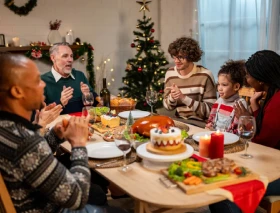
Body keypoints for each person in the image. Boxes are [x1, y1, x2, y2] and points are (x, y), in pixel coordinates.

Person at [0, 54, 126, 213]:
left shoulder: (8, 128)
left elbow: (32, 157)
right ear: (17, 91)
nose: (43, 84)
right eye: (37, 80)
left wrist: (56, 135)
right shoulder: (25, 141)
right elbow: (76, 199)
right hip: (50, 208)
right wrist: (79, 144)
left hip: (36, 198)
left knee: (97, 192)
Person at [209, 50, 280, 213]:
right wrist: (253, 110)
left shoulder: (277, 102)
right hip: (273, 161)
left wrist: (246, 119)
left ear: (261, 80)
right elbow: (266, 128)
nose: (246, 80)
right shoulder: (272, 94)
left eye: (248, 76)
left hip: (276, 169)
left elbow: (262, 144)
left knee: (226, 188)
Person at [163, 37, 217, 126]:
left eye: (180, 57)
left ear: (191, 56)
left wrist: (184, 98)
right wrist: (172, 98)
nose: (176, 61)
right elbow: (167, 107)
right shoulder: (170, 73)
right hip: (179, 121)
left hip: (200, 124)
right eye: (174, 57)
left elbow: (211, 111)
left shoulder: (205, 75)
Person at [41, 42, 99, 114]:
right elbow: (39, 114)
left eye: (71, 56)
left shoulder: (80, 75)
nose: (70, 60)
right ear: (53, 58)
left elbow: (96, 104)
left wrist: (88, 95)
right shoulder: (42, 81)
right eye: (65, 56)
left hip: (82, 122)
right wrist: (60, 102)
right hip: (58, 124)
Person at [206, 60, 248, 133]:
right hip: (216, 135)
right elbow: (211, 119)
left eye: (224, 85)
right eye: (218, 84)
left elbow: (237, 130)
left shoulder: (240, 105)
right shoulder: (219, 101)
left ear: (236, 86)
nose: (220, 88)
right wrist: (209, 126)